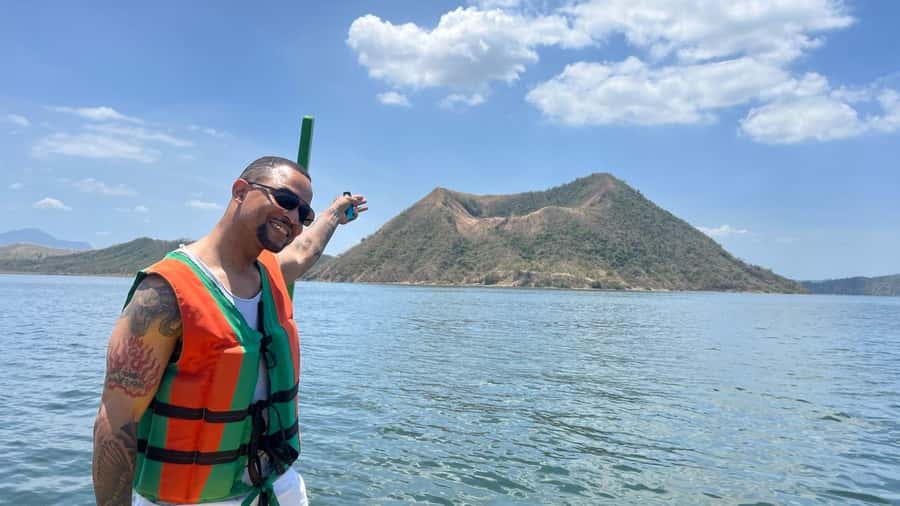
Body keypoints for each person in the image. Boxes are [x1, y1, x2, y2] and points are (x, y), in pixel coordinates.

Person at [92, 156, 367, 506]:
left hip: (276, 489)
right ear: (240, 191)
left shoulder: (269, 274)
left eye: (304, 213)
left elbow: (305, 250)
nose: (295, 218)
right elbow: (115, 423)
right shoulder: (164, 293)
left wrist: (333, 215)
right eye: (285, 200)